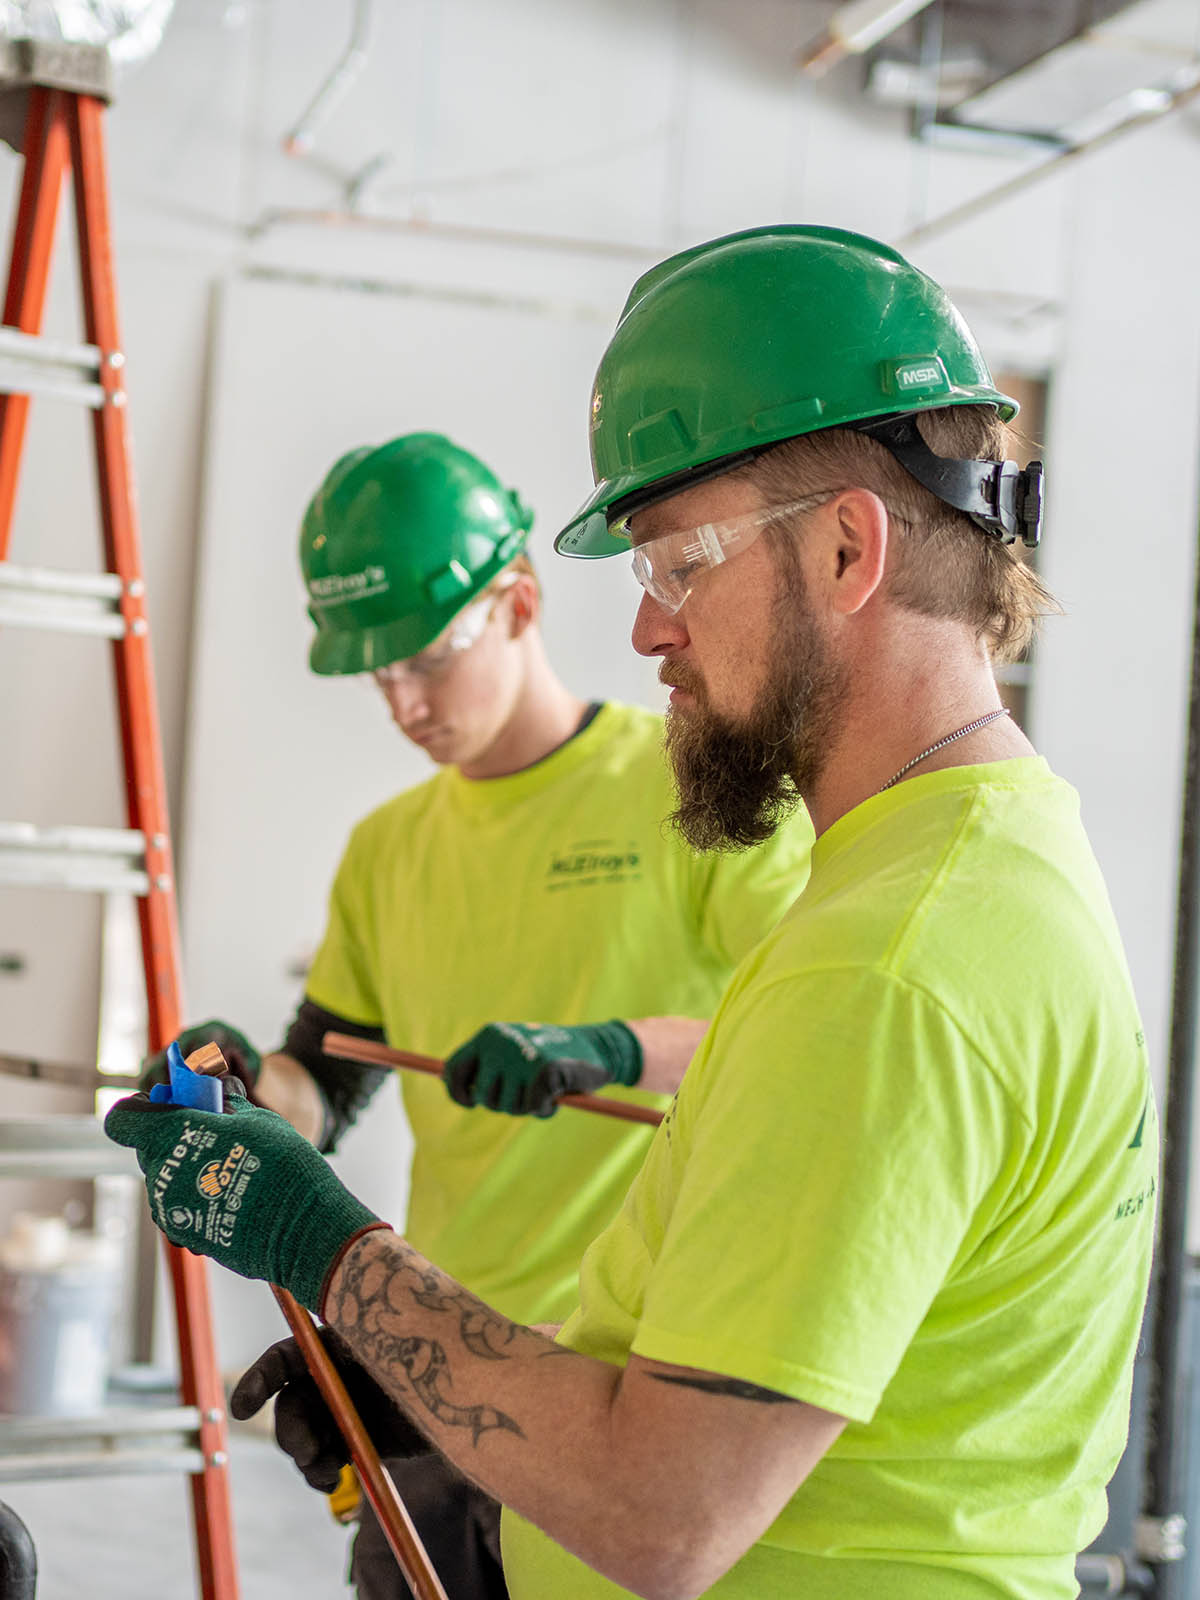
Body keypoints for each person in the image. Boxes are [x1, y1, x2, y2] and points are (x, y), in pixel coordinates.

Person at [112, 226, 1158, 1600]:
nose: (650, 630)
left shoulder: (888, 968)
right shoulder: (958, 874)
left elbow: (665, 1514)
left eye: (678, 563)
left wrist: (332, 1251)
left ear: (850, 547)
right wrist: (429, 1380)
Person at [142, 430, 813, 1597]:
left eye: (426, 657)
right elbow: (328, 1078)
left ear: (521, 599)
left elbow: (803, 1047)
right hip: (435, 1371)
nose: (402, 699)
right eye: (375, 670)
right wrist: (250, 1089)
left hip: (631, 1389)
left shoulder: (694, 788)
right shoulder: (387, 850)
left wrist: (604, 1049)